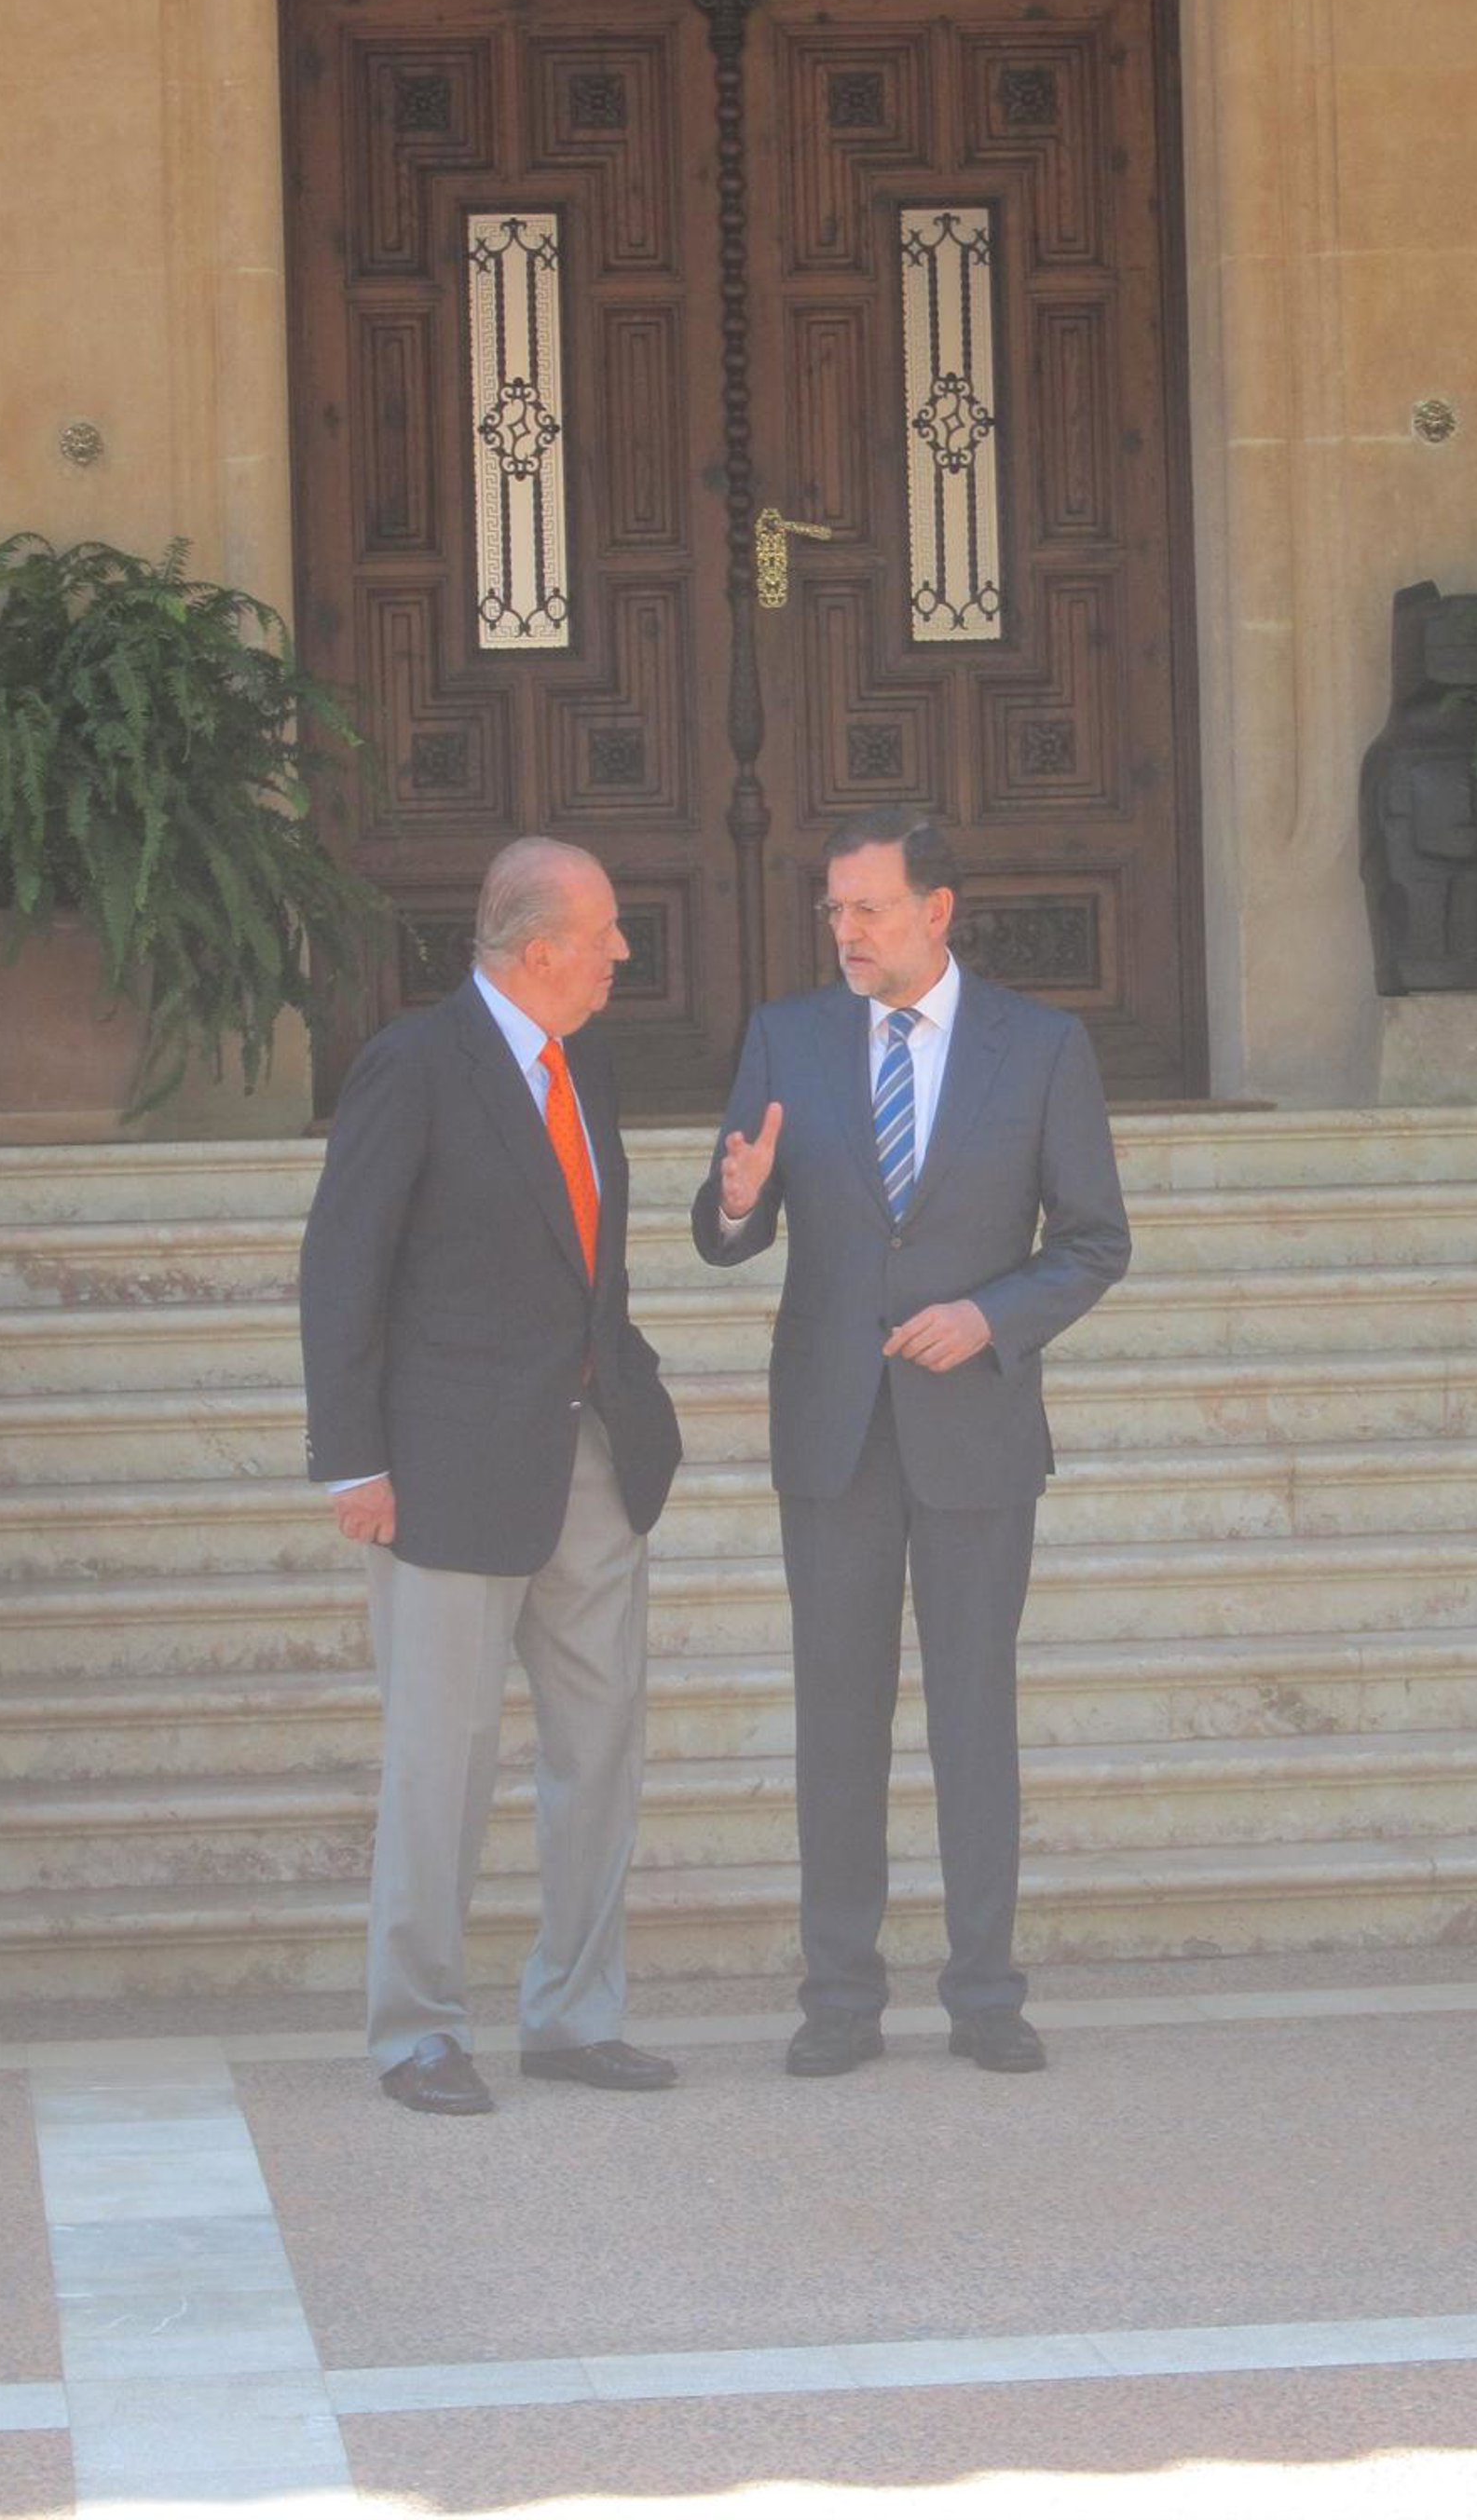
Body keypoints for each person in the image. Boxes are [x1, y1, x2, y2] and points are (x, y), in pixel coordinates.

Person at [692, 808, 1130, 2077]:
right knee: (837, 1721)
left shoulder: (1039, 1048)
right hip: (833, 1432)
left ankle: (985, 1994)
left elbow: (1095, 1240)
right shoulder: (785, 1037)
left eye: (869, 908)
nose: (846, 931)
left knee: (973, 1716)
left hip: (975, 1429)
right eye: (834, 909)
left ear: (937, 912)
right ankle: (839, 1998)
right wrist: (733, 1204)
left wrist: (991, 1316)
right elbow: (729, 1223)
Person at [300, 837, 682, 2116]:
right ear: (539, 950)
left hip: (593, 1459)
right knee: (441, 1763)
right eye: (606, 931)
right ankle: (417, 2031)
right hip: (446, 1475)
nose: (622, 950)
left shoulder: (587, 1067)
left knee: (601, 1748)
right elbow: (341, 1267)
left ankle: (575, 2017)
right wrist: (354, 1461)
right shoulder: (414, 1065)